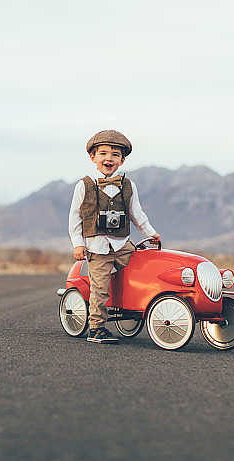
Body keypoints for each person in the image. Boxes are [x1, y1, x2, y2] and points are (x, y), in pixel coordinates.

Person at [68, 130, 160, 343]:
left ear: (122, 159)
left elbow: (136, 214)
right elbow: (75, 217)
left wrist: (150, 233)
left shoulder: (129, 186)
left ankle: (137, 306)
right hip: (97, 247)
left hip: (121, 244)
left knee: (142, 265)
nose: (108, 158)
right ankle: (96, 327)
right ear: (93, 157)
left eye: (115, 155)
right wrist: (77, 244)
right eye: (103, 153)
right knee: (100, 287)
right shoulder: (84, 185)